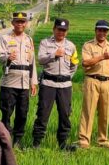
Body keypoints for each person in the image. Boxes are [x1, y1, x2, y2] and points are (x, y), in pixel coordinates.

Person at [31, 17, 78, 150]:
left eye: (64, 30)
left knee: (65, 114)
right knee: (43, 114)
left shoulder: (71, 46)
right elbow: (40, 59)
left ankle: (63, 144)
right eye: (59, 30)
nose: (61, 33)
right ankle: (37, 143)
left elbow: (74, 65)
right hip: (48, 84)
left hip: (65, 86)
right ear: (54, 29)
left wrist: (67, 77)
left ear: (67, 32)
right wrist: (54, 54)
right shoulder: (45, 43)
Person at [77, 19, 109, 148]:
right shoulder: (88, 46)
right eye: (100, 30)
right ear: (95, 31)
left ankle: (103, 140)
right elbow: (85, 63)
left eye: (105, 30)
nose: (102, 33)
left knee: (105, 112)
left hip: (107, 82)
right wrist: (101, 57)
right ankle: (84, 140)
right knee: (88, 111)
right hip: (92, 80)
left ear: (108, 32)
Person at [0, 11, 38, 146]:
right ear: (12, 23)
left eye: (22, 22)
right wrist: (7, 58)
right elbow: (0, 57)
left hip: (25, 82)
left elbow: (32, 62)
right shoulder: (6, 38)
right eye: (17, 21)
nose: (20, 24)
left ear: (26, 23)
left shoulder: (29, 40)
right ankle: (5, 140)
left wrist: (33, 82)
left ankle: (18, 140)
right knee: (6, 112)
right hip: (10, 81)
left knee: (22, 112)